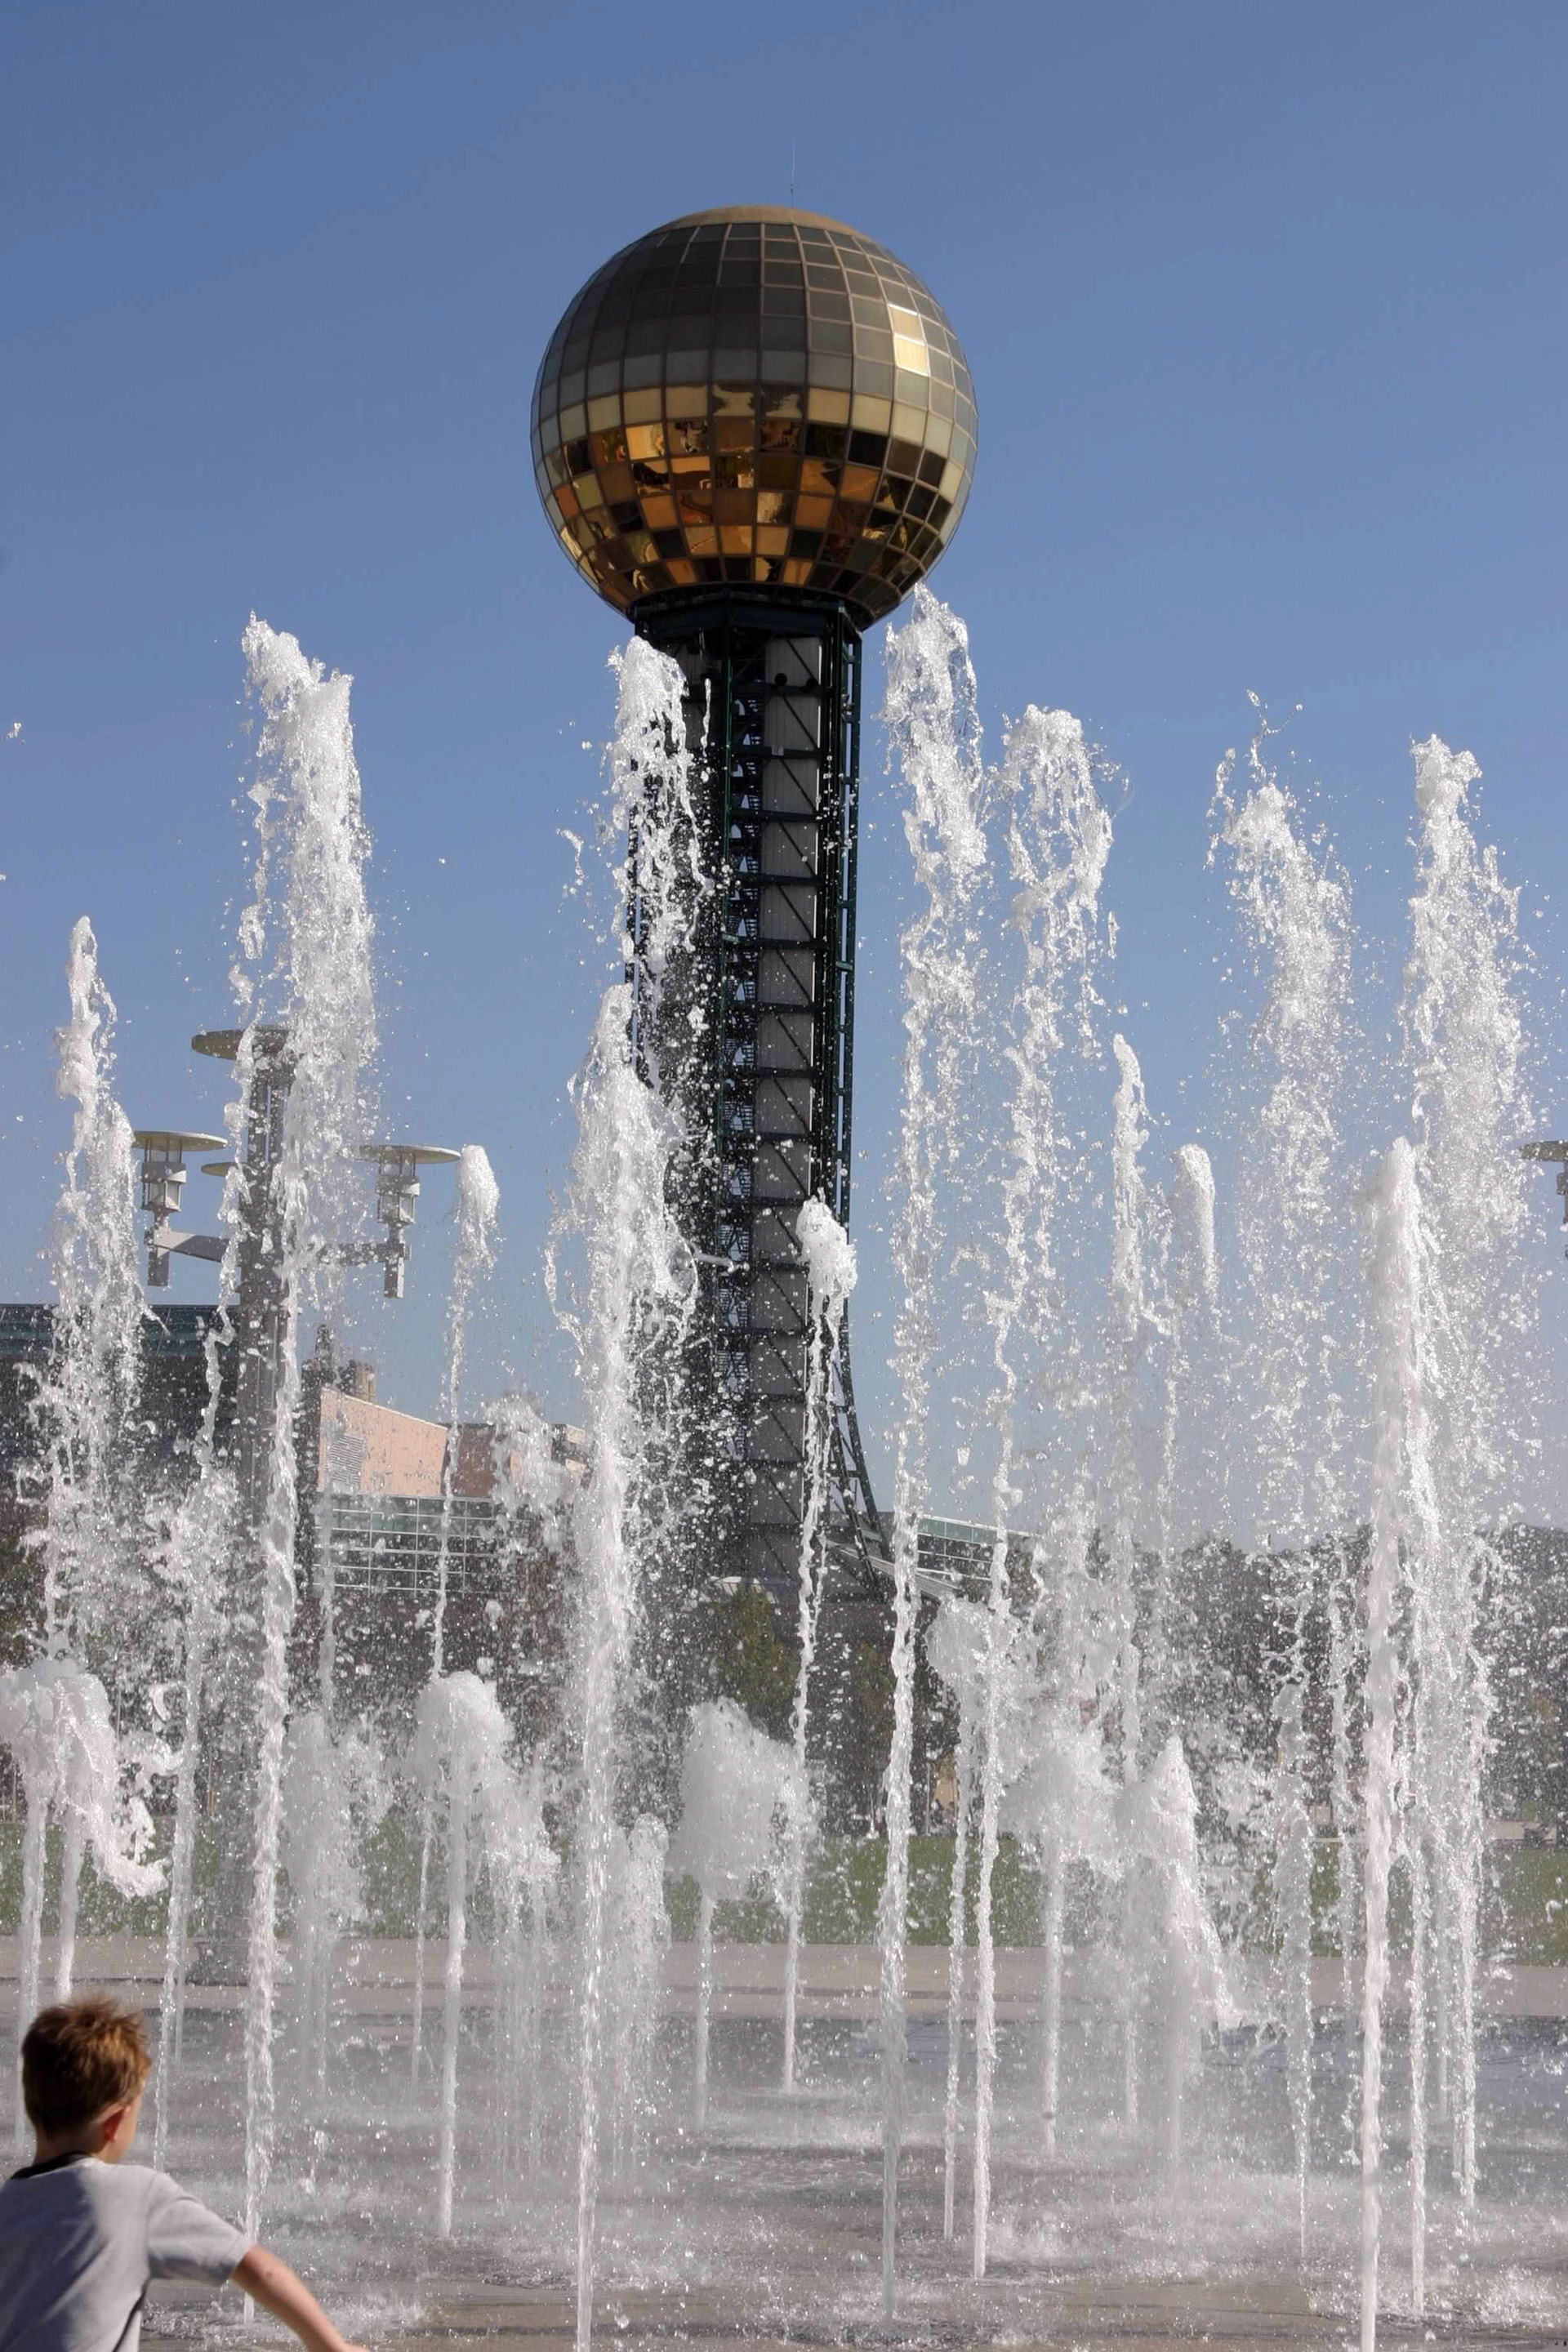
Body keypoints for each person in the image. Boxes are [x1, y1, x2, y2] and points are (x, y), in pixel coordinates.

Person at [0, 1993, 369, 2352]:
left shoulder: (8, 2206)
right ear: (115, 2124)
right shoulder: (134, 2196)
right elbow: (259, 2270)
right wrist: (334, 2347)